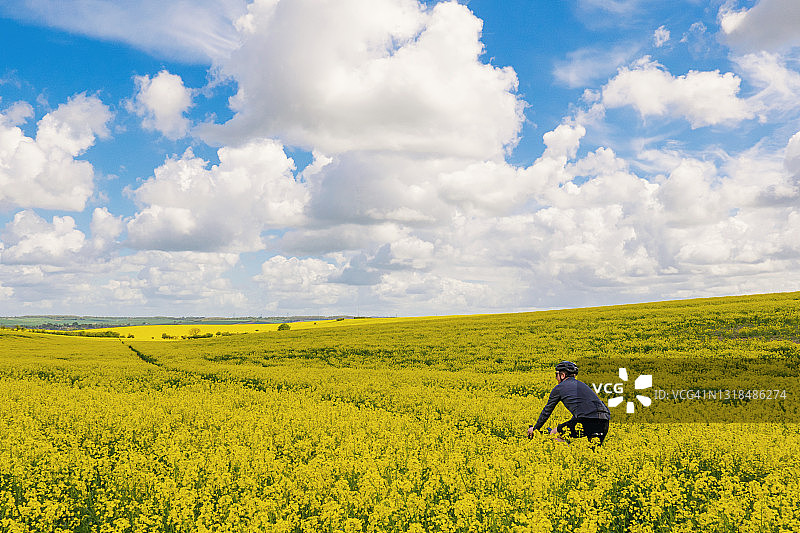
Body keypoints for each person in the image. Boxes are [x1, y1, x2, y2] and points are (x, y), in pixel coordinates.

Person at [527, 361, 610, 445]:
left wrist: (535, 429)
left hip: (587, 420)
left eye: (557, 375)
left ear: (562, 375)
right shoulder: (582, 385)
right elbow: (584, 410)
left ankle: (567, 454)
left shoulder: (559, 388)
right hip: (605, 421)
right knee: (593, 452)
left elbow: (547, 411)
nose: (556, 378)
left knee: (555, 434)